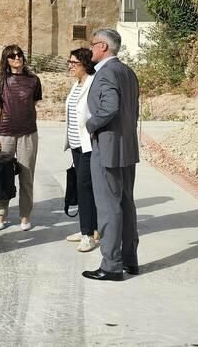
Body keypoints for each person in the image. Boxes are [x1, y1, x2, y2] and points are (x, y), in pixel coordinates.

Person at [82, 28, 141, 282]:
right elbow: (133, 110)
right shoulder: (128, 72)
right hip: (126, 147)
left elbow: (110, 107)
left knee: (108, 208)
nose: (91, 49)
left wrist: (90, 125)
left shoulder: (105, 73)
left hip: (107, 148)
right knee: (126, 204)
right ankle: (129, 260)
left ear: (104, 47)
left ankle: (111, 265)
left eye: (94, 44)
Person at [0, 45, 42, 231]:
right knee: (3, 175)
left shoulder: (34, 80)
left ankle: (25, 216)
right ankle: (0, 214)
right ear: (7, 60)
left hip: (28, 133)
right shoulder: (1, 81)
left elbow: (32, 105)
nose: (17, 58)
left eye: (19, 54)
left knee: (27, 177)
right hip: (5, 134)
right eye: (12, 56)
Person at [63, 47, 99, 253]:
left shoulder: (93, 83)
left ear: (85, 64)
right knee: (83, 186)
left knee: (85, 188)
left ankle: (88, 234)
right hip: (76, 145)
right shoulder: (77, 84)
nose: (70, 66)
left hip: (88, 146)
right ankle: (89, 229)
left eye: (73, 63)